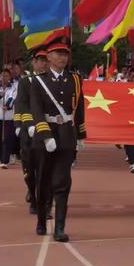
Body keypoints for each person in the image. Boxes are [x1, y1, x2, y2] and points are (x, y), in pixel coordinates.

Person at [31, 36, 86, 242]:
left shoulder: (75, 79)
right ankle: (42, 220)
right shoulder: (38, 81)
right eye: (59, 54)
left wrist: (80, 134)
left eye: (65, 54)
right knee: (44, 181)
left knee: (63, 182)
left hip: (66, 135)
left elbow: (79, 108)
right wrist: (45, 135)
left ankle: (60, 228)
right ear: (49, 57)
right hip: (46, 136)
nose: (63, 57)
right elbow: (36, 109)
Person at [14, 46, 51, 215]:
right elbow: (21, 104)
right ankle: (32, 193)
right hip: (29, 130)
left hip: (48, 131)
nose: (44, 64)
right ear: (34, 62)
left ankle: (45, 201)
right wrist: (23, 126)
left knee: (47, 169)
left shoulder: (52, 82)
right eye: (41, 60)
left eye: (46, 61)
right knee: (29, 170)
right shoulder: (25, 81)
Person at [0, 68, 17, 168]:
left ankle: (5, 160)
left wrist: (7, 105)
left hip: (9, 117)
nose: (4, 78)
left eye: (6, 76)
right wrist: (1, 94)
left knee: (7, 138)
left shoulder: (13, 87)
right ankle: (0, 158)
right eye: (2, 76)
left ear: (9, 77)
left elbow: (13, 98)